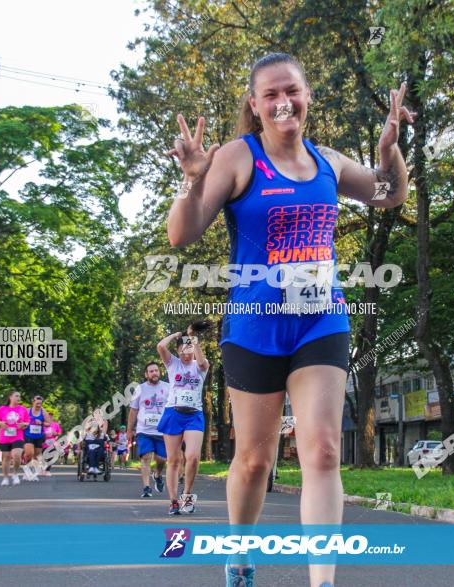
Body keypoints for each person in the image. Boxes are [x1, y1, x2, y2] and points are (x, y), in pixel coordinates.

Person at [164, 52, 413, 587]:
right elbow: (181, 235)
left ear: (307, 96)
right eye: (270, 94)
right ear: (254, 105)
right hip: (255, 322)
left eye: (292, 91)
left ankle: (321, 581)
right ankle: (240, 553)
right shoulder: (237, 156)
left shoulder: (328, 161)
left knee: (321, 449)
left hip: (320, 318)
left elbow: (391, 195)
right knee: (254, 460)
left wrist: (390, 151)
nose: (283, 102)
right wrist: (191, 179)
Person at [155, 325, 209, 515]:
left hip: (194, 415)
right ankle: (173, 501)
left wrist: (193, 338)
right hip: (173, 413)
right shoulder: (173, 364)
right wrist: (177, 335)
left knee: (193, 457)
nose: (186, 354)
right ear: (178, 352)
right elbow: (161, 347)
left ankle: (186, 495)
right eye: (182, 350)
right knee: (174, 460)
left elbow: (202, 363)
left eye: (189, 350)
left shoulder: (200, 366)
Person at [126, 361, 170, 498]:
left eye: (156, 370)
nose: (154, 373)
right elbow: (133, 410)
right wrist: (129, 430)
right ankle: (146, 488)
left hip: (162, 430)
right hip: (144, 430)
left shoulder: (168, 387)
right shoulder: (140, 388)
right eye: (151, 371)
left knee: (162, 458)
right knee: (145, 457)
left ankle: (157, 474)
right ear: (146, 374)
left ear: (160, 372)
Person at [0, 391, 29, 486]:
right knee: (6, 457)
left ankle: (15, 474)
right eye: (16, 396)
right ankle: (5, 477)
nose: (18, 398)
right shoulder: (2, 408)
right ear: (10, 397)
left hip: (18, 436)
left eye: (19, 396)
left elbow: (27, 422)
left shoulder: (23, 409)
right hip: (4, 436)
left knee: (17, 455)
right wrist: (0, 423)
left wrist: (23, 424)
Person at [22, 395, 47, 481]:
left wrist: (42, 423)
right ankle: (27, 471)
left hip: (39, 436)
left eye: (40, 403)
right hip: (28, 435)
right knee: (29, 453)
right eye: (37, 403)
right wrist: (29, 423)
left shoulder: (43, 412)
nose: (38, 405)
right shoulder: (27, 411)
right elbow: (22, 422)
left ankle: (33, 473)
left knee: (36, 455)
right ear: (33, 402)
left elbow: (49, 423)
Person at [41, 412, 62, 477]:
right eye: (48, 416)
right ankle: (42, 470)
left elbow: (59, 433)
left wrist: (56, 434)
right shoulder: (42, 424)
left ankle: (47, 470)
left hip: (52, 443)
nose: (50, 417)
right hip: (43, 443)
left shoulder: (56, 424)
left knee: (51, 457)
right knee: (43, 457)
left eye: (51, 416)